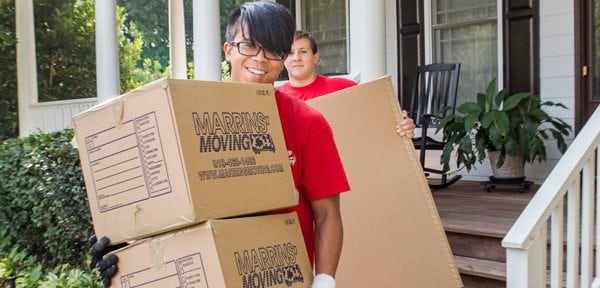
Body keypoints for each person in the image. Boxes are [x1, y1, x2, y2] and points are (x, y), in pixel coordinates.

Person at [91, 3, 347, 288]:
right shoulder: (186, 117)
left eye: (274, 50)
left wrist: (324, 281)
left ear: (284, 57)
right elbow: (162, 206)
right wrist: (125, 252)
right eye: (249, 45)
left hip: (279, 277)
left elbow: (327, 214)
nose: (261, 59)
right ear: (228, 50)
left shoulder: (308, 122)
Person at [279, 30, 415, 137]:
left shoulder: (342, 88)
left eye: (303, 51)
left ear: (315, 58)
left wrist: (402, 124)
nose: (296, 58)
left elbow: (379, 117)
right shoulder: (276, 98)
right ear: (283, 60)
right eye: (290, 53)